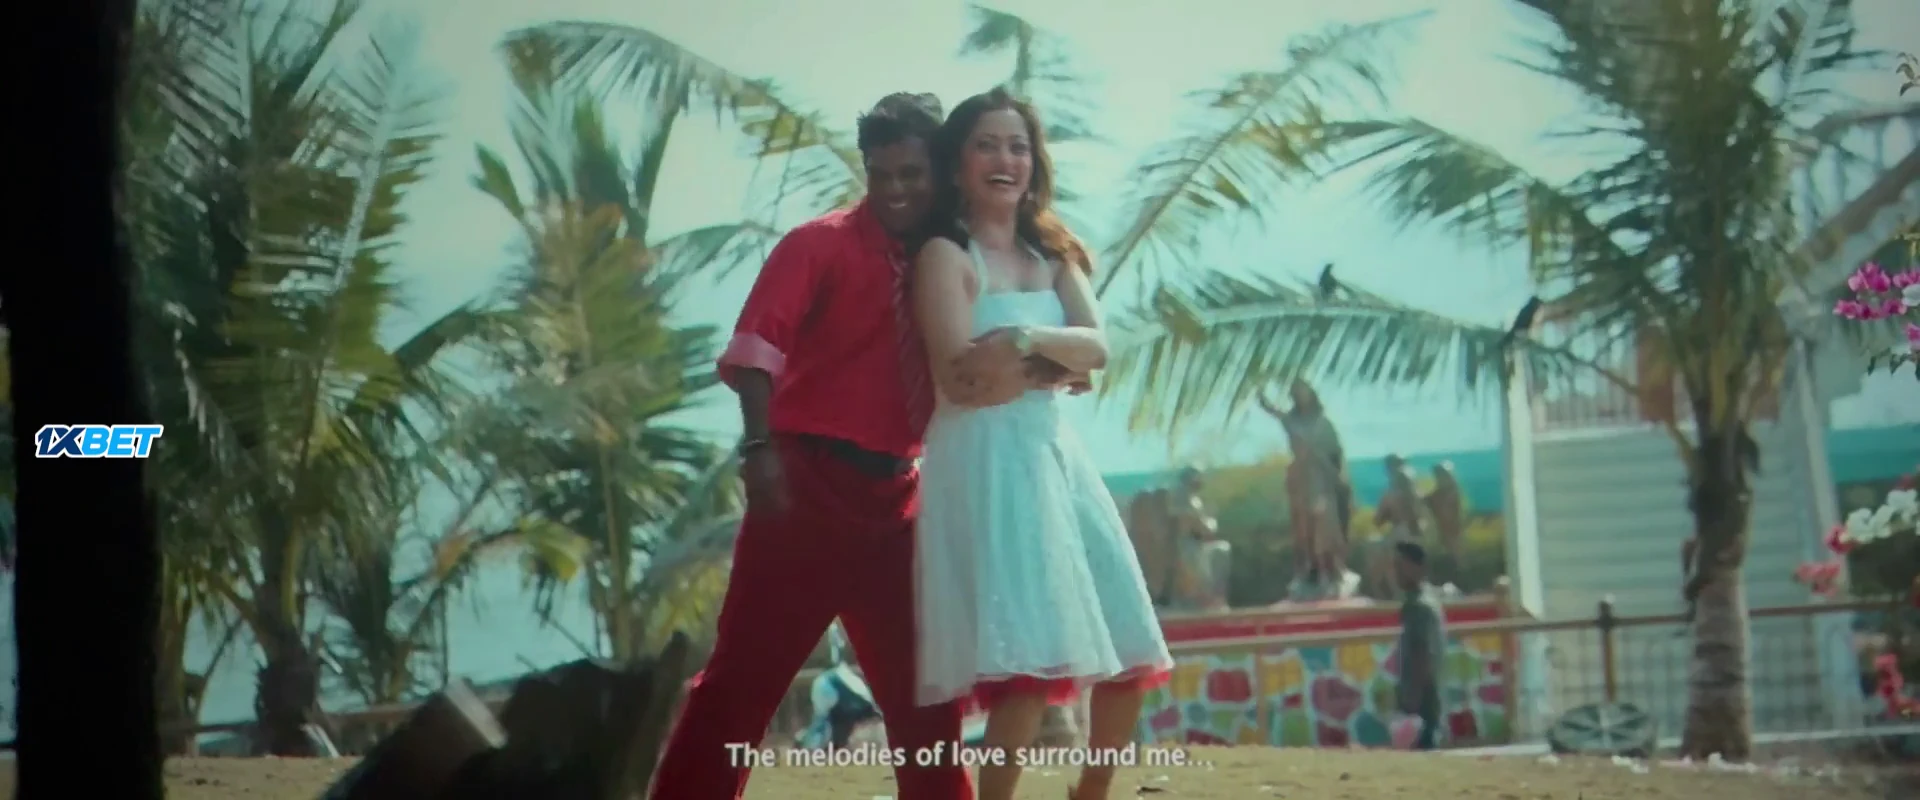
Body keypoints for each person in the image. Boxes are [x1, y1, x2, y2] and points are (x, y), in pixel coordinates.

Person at [649, 93, 1040, 800]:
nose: (894, 190)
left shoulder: (957, 260)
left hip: (903, 503)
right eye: (879, 174)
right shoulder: (817, 245)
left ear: (941, 171)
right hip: (805, 491)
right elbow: (756, 347)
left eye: (911, 174)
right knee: (741, 685)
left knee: (927, 697)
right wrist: (759, 449)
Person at [909, 88, 1173, 800]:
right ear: (958, 164)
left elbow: (1098, 348)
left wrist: (1022, 340)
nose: (1005, 160)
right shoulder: (945, 255)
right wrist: (1055, 367)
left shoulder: (1053, 253)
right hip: (986, 463)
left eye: (1018, 146)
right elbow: (960, 377)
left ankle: (1091, 793)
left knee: (1130, 647)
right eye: (987, 145)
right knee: (1026, 668)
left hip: (1055, 457)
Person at [1258, 379, 1356, 599]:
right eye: (1294, 393)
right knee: (1304, 528)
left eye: (1301, 391)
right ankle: (1311, 570)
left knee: (1326, 523)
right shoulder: (1292, 421)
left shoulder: (1322, 423)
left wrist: (1338, 476)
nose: (1298, 396)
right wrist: (1263, 399)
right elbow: (1276, 413)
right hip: (1301, 480)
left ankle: (1333, 568)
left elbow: (1336, 452)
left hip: (1322, 480)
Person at [1394, 540, 1446, 751]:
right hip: (1429, 699)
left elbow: (1422, 653)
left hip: (1421, 702)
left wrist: (1411, 701)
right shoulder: (1425, 600)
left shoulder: (1418, 606)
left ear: (1418, 568)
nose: (1396, 572)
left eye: (1401, 565)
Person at [1168, 467, 1232, 610]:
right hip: (1189, 546)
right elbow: (1199, 526)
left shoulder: (1187, 497)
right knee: (1220, 553)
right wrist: (1211, 524)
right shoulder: (1184, 498)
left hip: (1191, 545)